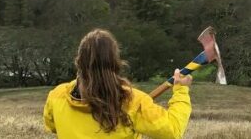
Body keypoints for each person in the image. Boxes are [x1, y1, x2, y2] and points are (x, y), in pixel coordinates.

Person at [43, 29, 192, 139]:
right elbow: (173, 129)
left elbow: (52, 125)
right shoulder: (132, 102)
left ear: (79, 61)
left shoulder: (57, 96)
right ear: (115, 62)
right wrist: (181, 90)